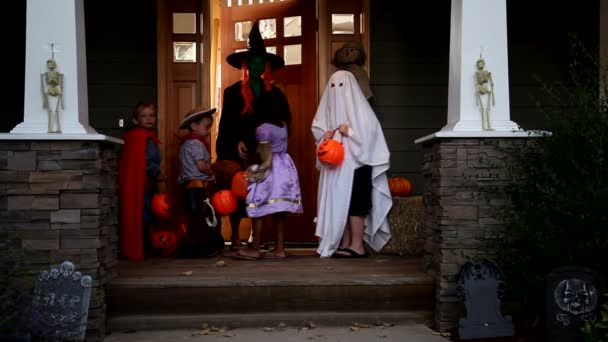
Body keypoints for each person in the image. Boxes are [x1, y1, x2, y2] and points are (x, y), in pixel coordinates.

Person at [216, 21, 291, 251]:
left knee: (268, 191)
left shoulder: (276, 94)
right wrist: (235, 140)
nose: (258, 65)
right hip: (244, 148)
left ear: (266, 65)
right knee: (239, 189)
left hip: (267, 151)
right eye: (253, 61)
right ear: (246, 65)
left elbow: (284, 122)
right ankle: (236, 235)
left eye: (262, 62)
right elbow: (226, 123)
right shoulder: (232, 92)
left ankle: (259, 240)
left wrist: (275, 144)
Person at [311, 70, 393, 258]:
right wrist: (324, 136)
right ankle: (345, 241)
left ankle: (357, 245)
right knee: (341, 203)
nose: (337, 91)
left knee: (356, 203)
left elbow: (372, 137)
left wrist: (351, 133)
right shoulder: (327, 111)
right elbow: (318, 127)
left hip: (358, 164)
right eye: (333, 86)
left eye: (341, 86)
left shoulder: (363, 112)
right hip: (336, 166)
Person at [230, 107, 303, 260]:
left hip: (269, 169)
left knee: (258, 206)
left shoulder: (263, 129)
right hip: (284, 167)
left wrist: (252, 170)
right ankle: (279, 249)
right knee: (280, 211)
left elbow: (265, 155)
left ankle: (255, 248)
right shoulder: (283, 125)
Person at [175, 106, 225, 257]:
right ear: (193, 126)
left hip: (189, 187)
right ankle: (199, 249)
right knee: (202, 219)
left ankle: (196, 247)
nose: (209, 131)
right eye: (207, 127)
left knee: (195, 219)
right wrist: (212, 172)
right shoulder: (196, 144)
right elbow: (201, 166)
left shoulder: (186, 144)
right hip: (197, 188)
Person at [117, 101, 162, 261]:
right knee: (144, 215)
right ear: (136, 120)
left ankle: (145, 245)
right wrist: (158, 173)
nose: (149, 119)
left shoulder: (148, 138)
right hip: (140, 185)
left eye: (151, 115)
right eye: (144, 116)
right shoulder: (139, 138)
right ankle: (143, 246)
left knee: (147, 214)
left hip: (146, 184)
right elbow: (145, 162)